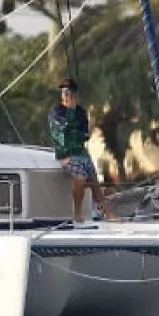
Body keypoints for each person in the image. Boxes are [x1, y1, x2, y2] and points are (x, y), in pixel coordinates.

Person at [48, 78, 104, 223]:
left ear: (74, 94)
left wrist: (74, 129)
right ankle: (77, 213)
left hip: (81, 151)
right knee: (80, 179)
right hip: (66, 154)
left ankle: (106, 212)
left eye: (68, 92)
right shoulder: (56, 111)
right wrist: (71, 121)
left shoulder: (81, 112)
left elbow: (85, 135)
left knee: (94, 183)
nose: (65, 95)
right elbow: (61, 131)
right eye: (63, 92)